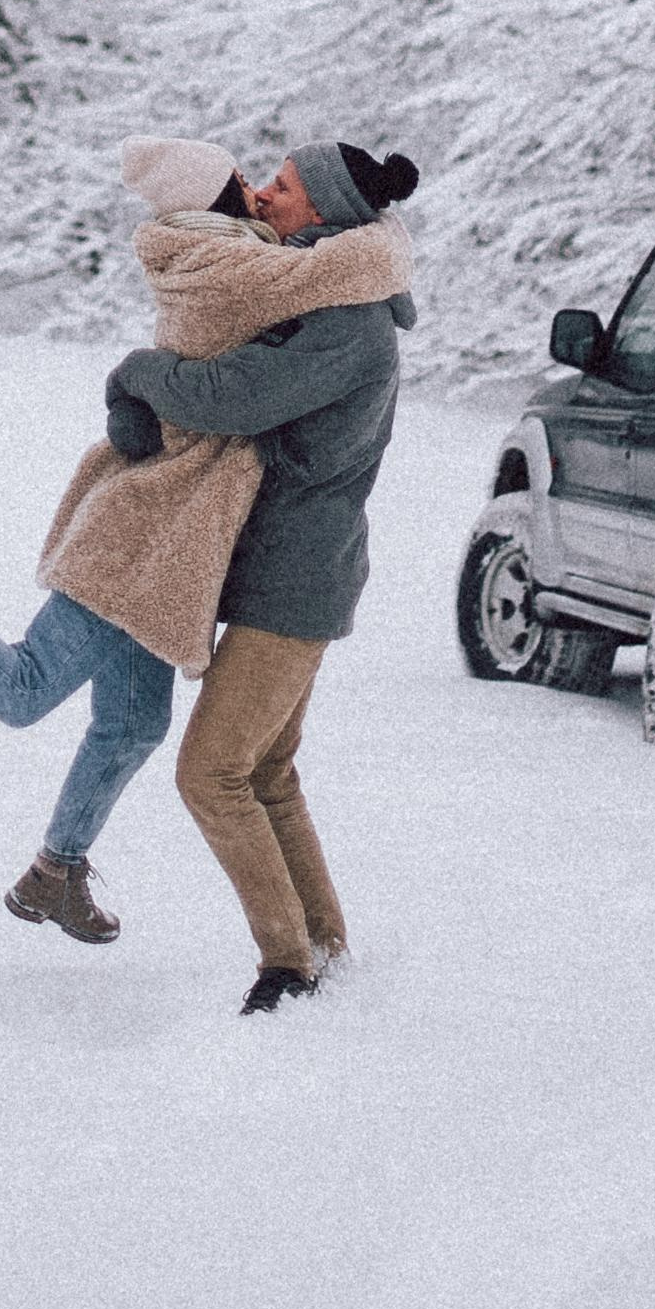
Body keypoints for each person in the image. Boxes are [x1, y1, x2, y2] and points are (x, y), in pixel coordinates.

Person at [0, 137, 413, 958]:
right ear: (214, 206)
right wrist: (372, 255)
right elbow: (234, 384)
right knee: (25, 688)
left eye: (275, 182)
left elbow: (284, 327)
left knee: (135, 724)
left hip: (178, 548)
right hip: (145, 538)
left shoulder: (271, 277)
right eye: (250, 183)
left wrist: (367, 252)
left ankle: (56, 870)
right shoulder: (235, 271)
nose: (261, 193)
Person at [105, 139, 419, 1015]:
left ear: (322, 211)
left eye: (282, 186)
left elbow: (233, 394)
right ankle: (325, 948)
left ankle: (288, 965)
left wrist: (136, 373)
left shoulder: (346, 323)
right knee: (269, 770)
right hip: (298, 569)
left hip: (296, 578)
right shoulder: (328, 298)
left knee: (210, 772)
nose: (264, 195)